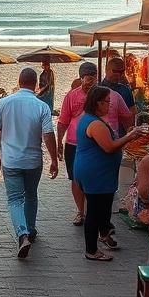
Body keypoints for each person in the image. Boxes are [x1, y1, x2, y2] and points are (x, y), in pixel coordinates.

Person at [73, 86, 149, 262]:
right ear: (98, 103)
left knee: (102, 207)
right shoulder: (94, 123)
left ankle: (104, 235)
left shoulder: (94, 120)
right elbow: (109, 147)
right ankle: (91, 250)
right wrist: (130, 136)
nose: (109, 105)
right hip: (95, 173)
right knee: (94, 210)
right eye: (107, 102)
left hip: (98, 172)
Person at [0, 68, 58, 258]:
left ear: (19, 83)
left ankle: (22, 233)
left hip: (10, 161)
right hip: (33, 161)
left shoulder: (4, 103)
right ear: (35, 85)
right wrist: (54, 159)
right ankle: (31, 229)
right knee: (31, 195)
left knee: (15, 199)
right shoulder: (41, 106)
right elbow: (48, 134)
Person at [56, 62, 100, 226]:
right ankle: (80, 211)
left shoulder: (102, 95)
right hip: (74, 143)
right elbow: (63, 121)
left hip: (97, 143)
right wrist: (59, 141)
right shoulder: (72, 96)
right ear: (81, 78)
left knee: (94, 177)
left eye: (93, 77)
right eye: (88, 78)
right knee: (75, 178)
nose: (91, 81)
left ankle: (93, 211)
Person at [101, 57, 137, 128]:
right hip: (99, 129)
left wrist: (129, 131)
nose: (118, 74)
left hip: (120, 131)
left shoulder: (125, 90)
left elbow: (132, 113)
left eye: (121, 71)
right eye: (115, 71)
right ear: (106, 70)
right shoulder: (97, 88)